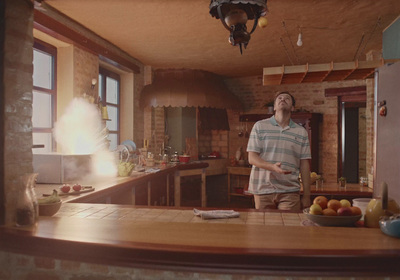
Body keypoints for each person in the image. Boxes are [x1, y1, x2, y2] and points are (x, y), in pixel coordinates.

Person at [246, 91, 311, 211]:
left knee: (288, 228)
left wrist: (307, 196)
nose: (283, 99)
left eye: (287, 98)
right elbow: (252, 158)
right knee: (265, 228)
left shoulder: (301, 132)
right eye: (279, 98)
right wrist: (272, 167)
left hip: (290, 190)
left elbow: (304, 164)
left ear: (292, 108)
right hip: (262, 189)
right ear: (274, 107)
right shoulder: (259, 126)